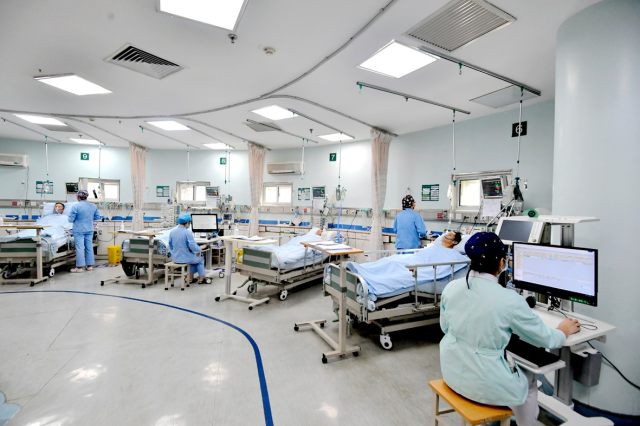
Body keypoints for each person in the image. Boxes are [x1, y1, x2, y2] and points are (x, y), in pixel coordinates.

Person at [439, 232, 580, 426]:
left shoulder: (451, 288)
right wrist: (564, 330)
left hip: (452, 372)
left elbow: (445, 327)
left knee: (509, 359)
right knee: (530, 379)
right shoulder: (509, 300)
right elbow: (548, 339)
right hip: (482, 386)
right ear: (502, 262)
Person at [68, 190, 100, 273]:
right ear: (86, 196)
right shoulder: (93, 206)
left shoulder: (76, 206)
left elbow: (70, 220)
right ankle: (90, 266)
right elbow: (97, 217)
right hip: (89, 229)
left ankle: (79, 267)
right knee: (89, 247)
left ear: (78, 197)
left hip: (79, 230)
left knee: (80, 248)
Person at [169, 214, 206, 284]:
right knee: (200, 259)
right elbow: (192, 246)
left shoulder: (172, 232)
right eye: (189, 223)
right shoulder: (187, 232)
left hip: (175, 258)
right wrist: (200, 248)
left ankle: (190, 278)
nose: (189, 225)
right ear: (187, 223)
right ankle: (201, 278)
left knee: (194, 259)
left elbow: (170, 246)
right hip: (186, 259)